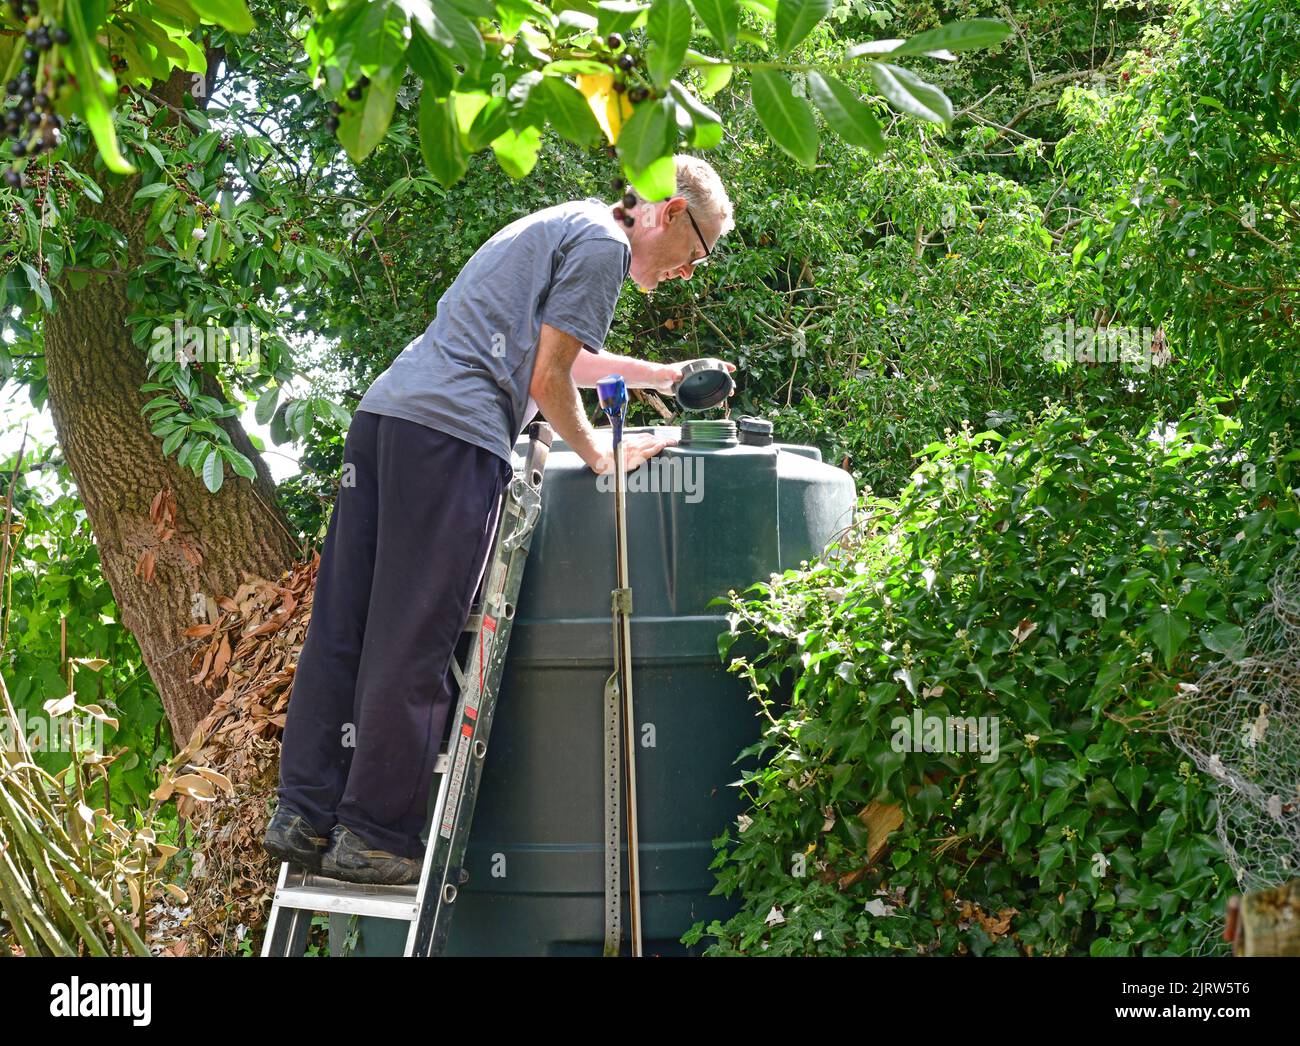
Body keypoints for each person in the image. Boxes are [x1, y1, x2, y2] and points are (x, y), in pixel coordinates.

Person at [263, 154, 737, 884]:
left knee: (346, 624)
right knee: (415, 635)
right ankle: (376, 834)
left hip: (388, 419)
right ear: (671, 212)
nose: (688, 271)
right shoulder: (607, 247)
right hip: (452, 439)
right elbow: (545, 380)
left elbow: (555, 355)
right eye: (697, 254)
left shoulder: (563, 223)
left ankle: (302, 812)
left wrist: (661, 377)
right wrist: (601, 454)